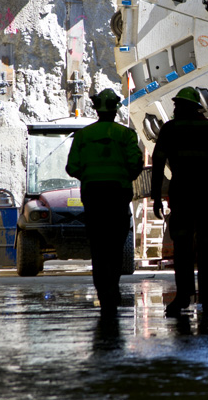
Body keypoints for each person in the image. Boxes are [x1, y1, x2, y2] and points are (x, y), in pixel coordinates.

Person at [150, 86, 208, 316]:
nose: (175, 109)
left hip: (183, 197)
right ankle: (207, 300)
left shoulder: (170, 129)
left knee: (183, 249)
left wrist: (156, 196)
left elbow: (158, 164)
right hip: (207, 198)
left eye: (178, 105)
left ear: (185, 106)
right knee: (206, 248)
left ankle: (183, 297)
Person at [66, 88, 143, 317]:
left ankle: (103, 292)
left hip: (94, 196)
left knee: (99, 248)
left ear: (97, 107)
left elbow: (72, 167)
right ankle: (112, 288)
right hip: (118, 195)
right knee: (115, 246)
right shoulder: (127, 135)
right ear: (116, 108)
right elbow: (135, 164)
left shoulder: (83, 135)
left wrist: (91, 176)